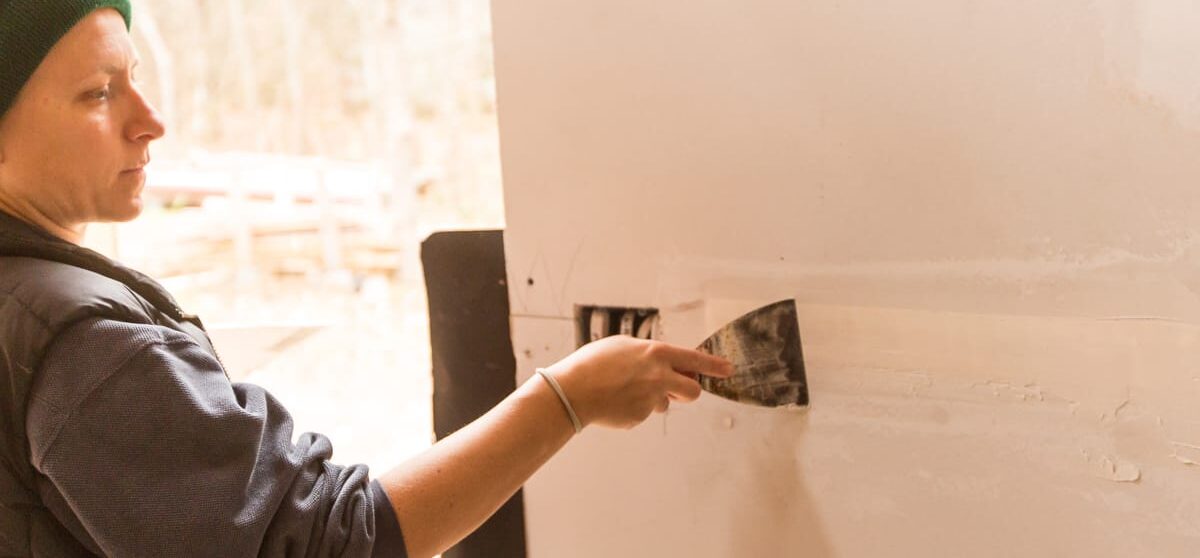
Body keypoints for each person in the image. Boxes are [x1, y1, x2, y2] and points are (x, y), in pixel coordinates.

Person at [0, 2, 733, 557]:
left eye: (135, 79)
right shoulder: (87, 344)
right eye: (99, 93)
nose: (150, 120)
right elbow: (333, 543)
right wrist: (566, 400)